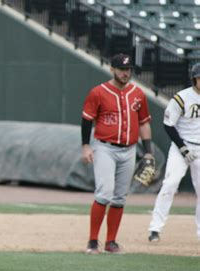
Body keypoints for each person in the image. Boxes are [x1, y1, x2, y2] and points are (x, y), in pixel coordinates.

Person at [81, 53, 153, 254]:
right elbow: (87, 120)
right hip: (105, 147)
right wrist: (86, 146)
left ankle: (111, 242)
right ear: (112, 69)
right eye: (122, 69)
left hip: (129, 150)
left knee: (120, 197)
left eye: (128, 69)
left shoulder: (138, 94)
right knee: (104, 192)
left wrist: (148, 152)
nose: (126, 72)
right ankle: (93, 241)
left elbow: (144, 123)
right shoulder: (98, 92)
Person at [148, 63, 200, 242]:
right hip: (181, 146)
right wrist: (183, 147)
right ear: (193, 79)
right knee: (170, 184)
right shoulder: (182, 97)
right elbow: (168, 125)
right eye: (199, 78)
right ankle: (155, 228)